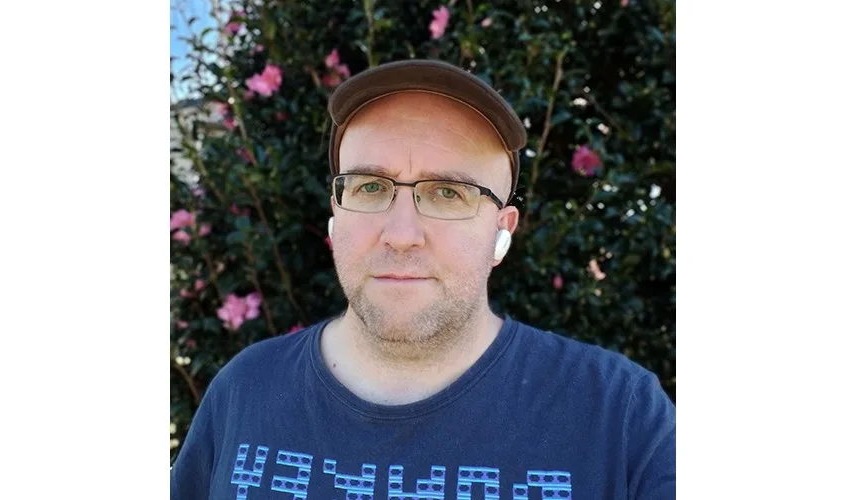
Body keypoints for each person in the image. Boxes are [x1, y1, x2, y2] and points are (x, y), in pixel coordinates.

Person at [171, 59, 675, 499]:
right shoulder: (244, 390)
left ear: (501, 230)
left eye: (449, 193)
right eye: (370, 187)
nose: (401, 235)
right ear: (336, 213)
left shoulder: (620, 417)